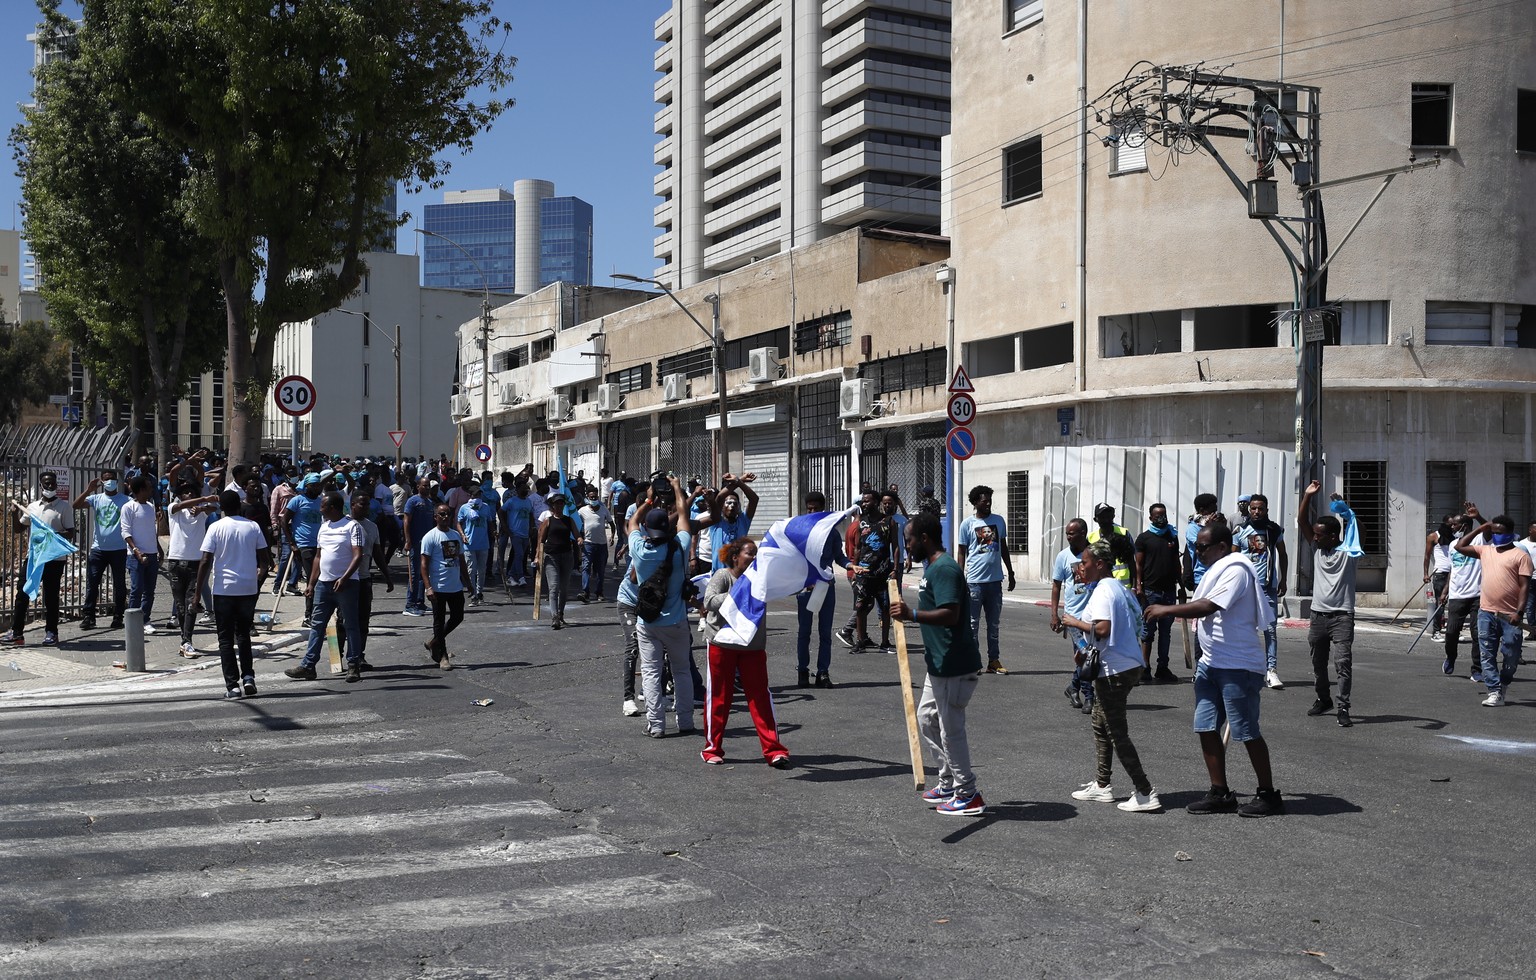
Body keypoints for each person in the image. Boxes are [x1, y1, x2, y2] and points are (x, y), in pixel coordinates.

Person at [1145, 523, 1285, 817]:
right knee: (1206, 726)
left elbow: (1209, 606)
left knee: (1247, 732)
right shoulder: (1214, 571)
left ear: (1222, 546)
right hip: (1211, 662)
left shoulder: (1236, 569)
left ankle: (1268, 794)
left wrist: (1165, 609)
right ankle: (1220, 792)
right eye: (1196, 547)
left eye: (1202, 548)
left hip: (1238, 665)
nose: (1198, 553)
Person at [891, 513, 985, 817]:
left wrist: (912, 615)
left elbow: (951, 614)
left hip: (954, 664)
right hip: (939, 663)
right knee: (926, 718)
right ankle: (948, 781)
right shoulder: (932, 568)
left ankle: (968, 793)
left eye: (909, 540)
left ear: (925, 538)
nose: (907, 547)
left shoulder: (944, 569)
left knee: (950, 730)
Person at [1058, 540, 1162, 813]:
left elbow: (1102, 628)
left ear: (1100, 564)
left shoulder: (1104, 590)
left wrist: (1073, 622)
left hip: (1116, 669)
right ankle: (1102, 785)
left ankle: (1145, 791)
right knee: (1100, 724)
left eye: (1085, 562)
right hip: (1123, 664)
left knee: (1116, 732)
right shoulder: (1118, 587)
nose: (1081, 567)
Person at [700, 537, 790, 767]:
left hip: (752, 646)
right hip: (722, 644)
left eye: (756, 553)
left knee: (760, 697)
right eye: (750, 553)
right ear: (735, 557)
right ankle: (712, 748)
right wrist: (739, 591)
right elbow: (709, 601)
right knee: (719, 697)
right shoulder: (723, 576)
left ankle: (773, 750)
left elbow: (783, 585)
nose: (754, 557)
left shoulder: (760, 579)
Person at [630, 476, 699, 739]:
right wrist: (678, 488)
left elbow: (633, 522)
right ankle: (685, 721)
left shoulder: (640, 549)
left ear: (648, 529)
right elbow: (683, 512)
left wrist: (648, 498)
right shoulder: (680, 547)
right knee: (681, 671)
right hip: (677, 622)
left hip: (648, 622)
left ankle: (656, 724)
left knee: (650, 671)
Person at [283, 492, 367, 684]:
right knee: (317, 625)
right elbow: (318, 558)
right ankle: (308, 665)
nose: (320, 509)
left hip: (347, 584)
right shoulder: (323, 527)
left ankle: (353, 665)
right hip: (324, 584)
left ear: (333, 508)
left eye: (323, 506)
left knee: (350, 625)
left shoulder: (352, 526)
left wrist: (344, 578)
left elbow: (358, 555)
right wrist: (311, 583)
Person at [195, 491, 272, 700]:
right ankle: (248, 677)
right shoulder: (253, 526)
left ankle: (232, 685)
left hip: (224, 589)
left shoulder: (215, 527)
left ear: (221, 507)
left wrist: (196, 595)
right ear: (239, 505)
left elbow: (205, 561)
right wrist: (256, 581)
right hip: (247, 589)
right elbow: (265, 561)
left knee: (225, 639)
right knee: (244, 635)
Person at [1296, 481, 1361, 727]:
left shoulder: (1349, 552)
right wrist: (1307, 496)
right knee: (1318, 663)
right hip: (1318, 616)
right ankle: (1324, 700)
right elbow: (1302, 521)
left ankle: (1343, 706)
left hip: (1342, 617)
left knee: (1342, 662)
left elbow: (1359, 530)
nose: (1314, 537)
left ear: (1333, 536)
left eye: (1319, 534)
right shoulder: (1316, 549)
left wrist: (1347, 512)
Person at [1455, 507, 1532, 707]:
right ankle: (1494, 691)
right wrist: (1481, 528)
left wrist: (1519, 612)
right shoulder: (1485, 551)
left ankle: (1504, 681)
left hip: (1509, 616)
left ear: (1510, 534)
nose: (1496, 536)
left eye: (1499, 533)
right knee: (1486, 653)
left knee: (1511, 654)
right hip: (1486, 612)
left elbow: (1525, 587)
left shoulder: (1520, 555)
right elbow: (1460, 546)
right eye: (1494, 532)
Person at [2, 471, 75, 646]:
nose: (50, 486)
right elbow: (20, 528)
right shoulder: (33, 507)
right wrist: (13, 514)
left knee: (51, 596)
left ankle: (51, 632)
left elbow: (70, 532)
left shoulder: (64, 507)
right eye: (47, 484)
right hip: (34, 558)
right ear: (41, 485)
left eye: (53, 483)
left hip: (54, 559)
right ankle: (17, 632)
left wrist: (52, 534)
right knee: (23, 593)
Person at [958, 484, 1015, 674]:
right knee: (973, 624)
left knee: (994, 625)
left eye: (989, 500)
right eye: (984, 501)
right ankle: (973, 662)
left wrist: (1011, 572)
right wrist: (959, 576)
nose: (988, 504)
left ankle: (994, 661)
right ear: (975, 503)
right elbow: (961, 552)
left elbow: (1003, 548)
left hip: (994, 582)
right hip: (974, 582)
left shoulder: (998, 521)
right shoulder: (967, 524)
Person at [1233, 493, 1287, 690]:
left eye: (1260, 508)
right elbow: (1233, 557)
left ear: (1266, 510)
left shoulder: (1273, 530)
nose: (1256, 512)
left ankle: (1271, 670)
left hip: (1268, 587)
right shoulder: (1240, 530)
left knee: (1270, 629)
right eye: (1253, 508)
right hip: (1246, 588)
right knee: (1244, 628)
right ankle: (1244, 668)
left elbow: (1283, 553)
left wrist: (1283, 579)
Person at [336, 492, 392, 668]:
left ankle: (359, 655)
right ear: (352, 505)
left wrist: (387, 575)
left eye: (368, 505)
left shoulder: (372, 527)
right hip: (344, 580)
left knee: (363, 620)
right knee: (342, 620)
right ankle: (337, 656)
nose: (366, 508)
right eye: (362, 504)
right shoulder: (342, 524)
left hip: (364, 579)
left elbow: (377, 553)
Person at [167, 479, 220, 658]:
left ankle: (186, 640)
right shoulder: (174, 510)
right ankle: (184, 637)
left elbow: (214, 508)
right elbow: (180, 505)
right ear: (180, 496)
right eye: (186, 493)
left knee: (191, 603)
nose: (189, 495)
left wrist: (202, 508)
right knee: (180, 604)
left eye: (193, 493)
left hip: (195, 562)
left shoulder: (200, 512)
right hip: (175, 562)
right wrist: (201, 499)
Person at [796, 491, 843, 689]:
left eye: (816, 509)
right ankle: (803, 671)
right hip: (806, 588)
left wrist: (850, 566)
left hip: (826, 587)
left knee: (825, 633)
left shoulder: (831, 532)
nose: (812, 511)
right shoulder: (800, 531)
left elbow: (839, 557)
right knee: (804, 632)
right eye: (810, 509)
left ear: (823, 510)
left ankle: (823, 672)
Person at [1134, 503, 1183, 683]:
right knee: (1147, 632)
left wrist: (1181, 584)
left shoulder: (1172, 536)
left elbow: (1176, 562)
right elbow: (1138, 565)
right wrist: (1139, 586)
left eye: (1164, 514)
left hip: (1169, 591)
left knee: (1165, 632)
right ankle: (1144, 668)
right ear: (1151, 518)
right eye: (1157, 515)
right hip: (1150, 592)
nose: (1161, 518)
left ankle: (1163, 668)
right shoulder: (1144, 539)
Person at [74, 470, 129, 631]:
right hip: (98, 549)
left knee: (119, 584)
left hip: (119, 549)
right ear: (102, 482)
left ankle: (118, 616)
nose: (110, 482)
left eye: (112, 479)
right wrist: (88, 490)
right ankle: (88, 617)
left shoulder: (125, 500)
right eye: (106, 479)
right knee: (92, 584)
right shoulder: (96, 499)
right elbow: (76, 505)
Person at [1051, 519, 1095, 714]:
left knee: (1092, 656)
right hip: (1074, 617)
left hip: (1094, 614)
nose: (1068, 537)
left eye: (1072, 533)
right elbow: (1056, 586)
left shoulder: (1094, 553)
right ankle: (1089, 696)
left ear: (1083, 532)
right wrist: (1054, 614)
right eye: (1067, 533)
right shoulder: (1063, 556)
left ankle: (1073, 687)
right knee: (1085, 656)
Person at [419, 503, 470, 670]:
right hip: (438, 587)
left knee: (458, 617)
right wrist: (428, 587)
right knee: (438, 622)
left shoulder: (455, 535)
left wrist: (468, 583)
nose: (445, 517)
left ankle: (434, 641)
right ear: (435, 517)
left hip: (455, 586)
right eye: (441, 514)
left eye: (447, 514)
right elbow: (424, 565)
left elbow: (461, 561)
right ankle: (443, 655)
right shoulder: (430, 537)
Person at [1441, 513, 1483, 677]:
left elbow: (1489, 529)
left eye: (1455, 525)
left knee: (1477, 633)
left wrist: (1478, 516)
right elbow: (1453, 569)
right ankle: (1451, 657)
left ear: (1464, 526)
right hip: (1457, 595)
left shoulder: (1479, 540)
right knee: (1451, 632)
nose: (1452, 527)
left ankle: (1477, 669)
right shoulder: (1452, 545)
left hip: (1477, 595)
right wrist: (1445, 591)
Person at [120, 474, 161, 638]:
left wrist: (159, 548)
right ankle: (132, 621)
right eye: (149, 487)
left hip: (152, 554)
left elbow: (152, 530)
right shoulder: (128, 507)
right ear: (141, 490)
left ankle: (145, 619)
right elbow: (125, 532)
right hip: (136, 555)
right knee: (137, 589)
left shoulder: (150, 506)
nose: (152, 489)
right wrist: (136, 550)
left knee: (150, 590)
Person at [282, 474, 325, 626]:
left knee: (321, 579)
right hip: (303, 545)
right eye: (313, 485)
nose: (316, 488)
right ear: (306, 486)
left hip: (319, 545)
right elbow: (284, 521)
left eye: (318, 485)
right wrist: (292, 543)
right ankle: (308, 616)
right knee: (313, 579)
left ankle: (317, 612)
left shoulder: (321, 502)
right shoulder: (297, 500)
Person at [696, 473, 759, 573]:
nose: (732, 505)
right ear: (722, 507)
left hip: (739, 574)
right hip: (719, 573)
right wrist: (739, 480)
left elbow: (754, 499)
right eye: (729, 503)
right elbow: (720, 497)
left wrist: (739, 482)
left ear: (739, 506)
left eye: (735, 503)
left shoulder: (743, 521)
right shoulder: (716, 521)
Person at [537, 492, 582, 629]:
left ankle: (561, 613)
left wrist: (580, 540)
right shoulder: (548, 521)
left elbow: (576, 535)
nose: (559, 505)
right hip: (551, 557)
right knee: (554, 587)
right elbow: (541, 540)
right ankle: (554, 616)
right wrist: (537, 557)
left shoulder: (569, 520)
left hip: (566, 556)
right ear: (553, 505)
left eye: (561, 503)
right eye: (557, 503)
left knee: (564, 588)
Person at [401, 477, 435, 616]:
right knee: (414, 574)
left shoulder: (430, 503)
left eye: (428, 486)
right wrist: (408, 540)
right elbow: (406, 521)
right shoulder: (412, 501)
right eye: (424, 485)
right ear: (418, 486)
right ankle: (410, 604)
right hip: (415, 542)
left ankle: (420, 602)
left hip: (427, 543)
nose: (426, 488)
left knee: (424, 573)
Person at [456, 479, 493, 605]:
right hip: (469, 543)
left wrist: (494, 533)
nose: (477, 497)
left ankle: (480, 592)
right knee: (471, 570)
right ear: (470, 496)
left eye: (479, 495)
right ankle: (473, 594)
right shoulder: (464, 508)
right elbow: (459, 523)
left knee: (481, 570)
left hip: (483, 543)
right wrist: (462, 535)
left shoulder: (486, 507)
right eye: (475, 495)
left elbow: (490, 521)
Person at [1423, 515, 1457, 640]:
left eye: (1454, 525)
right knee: (1440, 603)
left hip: (1454, 573)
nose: (1453, 527)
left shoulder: (1456, 538)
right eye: (1451, 525)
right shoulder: (1433, 537)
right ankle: (1436, 631)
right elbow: (1427, 556)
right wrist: (1426, 574)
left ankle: (1452, 631)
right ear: (1444, 524)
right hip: (1440, 573)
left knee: (1455, 604)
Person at [576, 485, 612, 603]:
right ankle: (585, 592)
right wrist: (579, 537)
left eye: (595, 496)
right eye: (591, 497)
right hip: (588, 544)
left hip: (601, 544)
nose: (594, 499)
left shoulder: (603, 510)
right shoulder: (582, 511)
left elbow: (612, 524)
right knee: (586, 567)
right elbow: (576, 525)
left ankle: (599, 592)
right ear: (588, 497)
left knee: (600, 570)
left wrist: (612, 536)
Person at [1087, 503, 1135, 588]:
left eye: (1108, 516)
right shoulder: (1090, 538)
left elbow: (1132, 561)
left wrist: (1135, 587)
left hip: (1123, 587)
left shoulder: (1124, 533)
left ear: (1113, 517)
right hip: (1101, 587)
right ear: (1095, 519)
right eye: (1102, 517)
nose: (1106, 520)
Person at [501, 478, 534, 587]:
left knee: (520, 555)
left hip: (525, 533)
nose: (526, 490)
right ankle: (520, 577)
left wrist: (531, 528)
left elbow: (530, 515)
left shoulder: (528, 501)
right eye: (523, 488)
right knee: (519, 554)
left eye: (527, 488)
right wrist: (505, 527)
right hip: (515, 532)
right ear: (518, 489)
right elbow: (501, 511)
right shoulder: (512, 501)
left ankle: (510, 575)